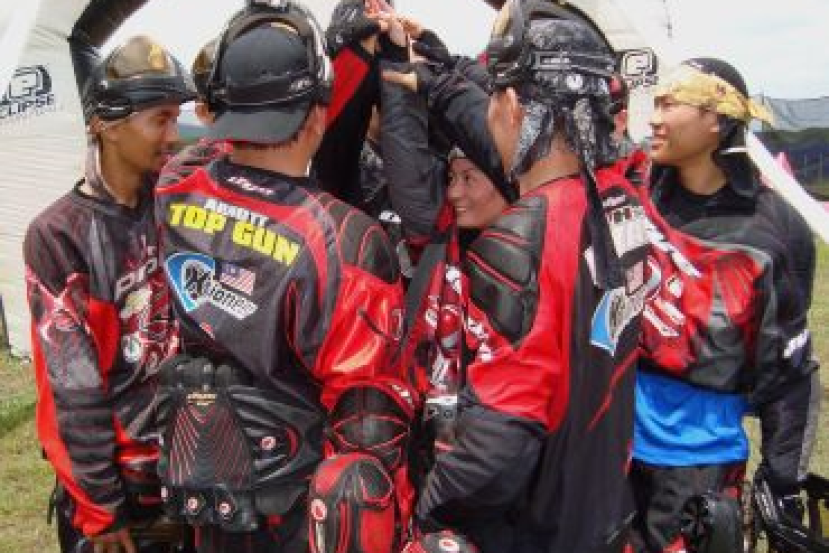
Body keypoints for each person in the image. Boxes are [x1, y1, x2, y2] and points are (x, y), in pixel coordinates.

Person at [387, 2, 650, 551]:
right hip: (604, 508)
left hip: (536, 526)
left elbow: (500, 445)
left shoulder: (519, 238)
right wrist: (439, 70)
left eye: (493, 99)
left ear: (509, 106)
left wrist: (428, 513)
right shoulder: (622, 202)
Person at [154, 3, 413, 552]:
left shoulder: (174, 192)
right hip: (298, 516)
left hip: (210, 501)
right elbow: (367, 430)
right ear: (317, 115)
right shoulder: (347, 241)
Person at [630, 57, 822, 553]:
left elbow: (792, 372)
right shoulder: (634, 201)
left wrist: (782, 483)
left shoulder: (772, 232)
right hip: (609, 454)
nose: (654, 118)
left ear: (715, 117)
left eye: (669, 104)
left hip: (700, 470)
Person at [23, 36, 195, 553]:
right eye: (160, 119)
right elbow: (71, 387)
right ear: (107, 124)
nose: (174, 135)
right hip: (120, 495)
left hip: (194, 473)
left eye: (177, 117)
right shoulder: (60, 235)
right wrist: (101, 507)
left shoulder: (177, 205)